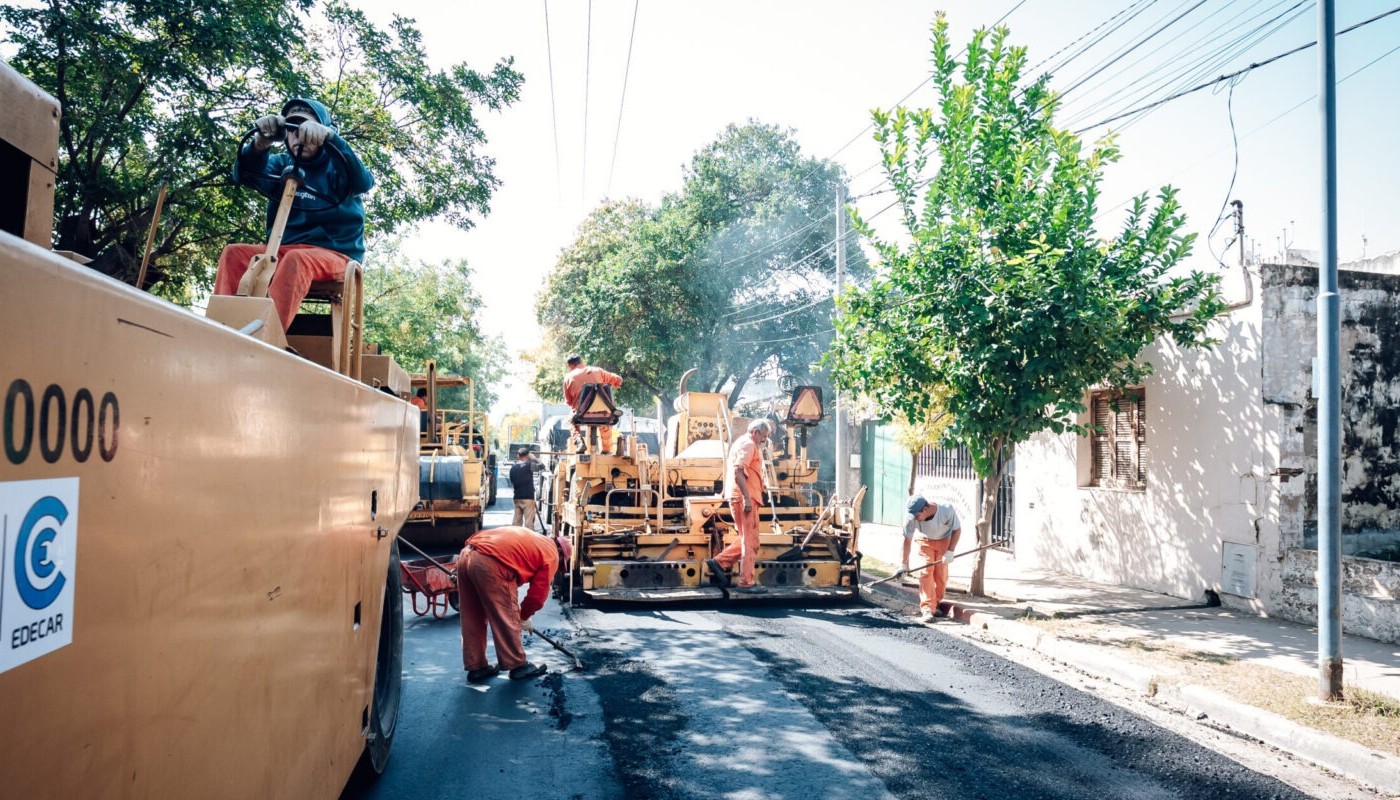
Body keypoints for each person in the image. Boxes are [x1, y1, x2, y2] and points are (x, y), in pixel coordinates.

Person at [213, 98, 374, 330]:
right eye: (292, 129)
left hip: (335, 254)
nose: (299, 136)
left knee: (296, 261)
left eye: (306, 130)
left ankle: (266, 335)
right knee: (234, 253)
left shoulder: (337, 166)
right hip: (282, 249)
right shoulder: (280, 165)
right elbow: (244, 175)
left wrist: (332, 139)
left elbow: (363, 182)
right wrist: (260, 143)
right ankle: (221, 329)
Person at [455, 526, 560, 683]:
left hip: (466, 555)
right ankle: (517, 665)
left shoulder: (536, 539)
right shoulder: (552, 554)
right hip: (490, 563)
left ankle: (476, 667)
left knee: (472, 615)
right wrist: (523, 617)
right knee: (507, 614)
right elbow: (538, 595)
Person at [706, 419, 771, 594]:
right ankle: (746, 582)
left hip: (742, 497)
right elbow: (738, 471)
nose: (764, 440)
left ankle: (719, 562)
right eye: (763, 436)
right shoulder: (749, 445)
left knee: (749, 539)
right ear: (756, 432)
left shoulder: (742, 443)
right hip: (745, 499)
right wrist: (748, 499)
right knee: (750, 541)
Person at [902, 495, 961, 622]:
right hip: (925, 540)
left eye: (917, 516)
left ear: (925, 509)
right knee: (926, 570)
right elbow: (907, 540)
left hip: (944, 540)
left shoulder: (946, 510)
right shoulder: (911, 518)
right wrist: (903, 564)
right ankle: (928, 608)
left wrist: (950, 551)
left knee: (941, 574)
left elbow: (957, 530)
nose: (914, 519)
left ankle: (936, 604)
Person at [562, 354, 623, 453]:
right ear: (582, 362)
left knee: (571, 421)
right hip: (604, 415)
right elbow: (618, 380)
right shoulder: (597, 370)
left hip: (582, 415)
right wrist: (616, 383)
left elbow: (569, 402)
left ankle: (579, 442)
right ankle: (606, 450)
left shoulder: (568, 377)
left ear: (570, 366)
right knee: (605, 425)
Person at [509, 447, 538, 529]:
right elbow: (542, 466)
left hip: (517, 498)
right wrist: (534, 458)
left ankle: (516, 539)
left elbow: (512, 481)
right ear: (527, 455)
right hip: (528, 498)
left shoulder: (513, 468)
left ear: (518, 456)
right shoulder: (529, 466)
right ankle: (528, 540)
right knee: (529, 523)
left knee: (516, 522)